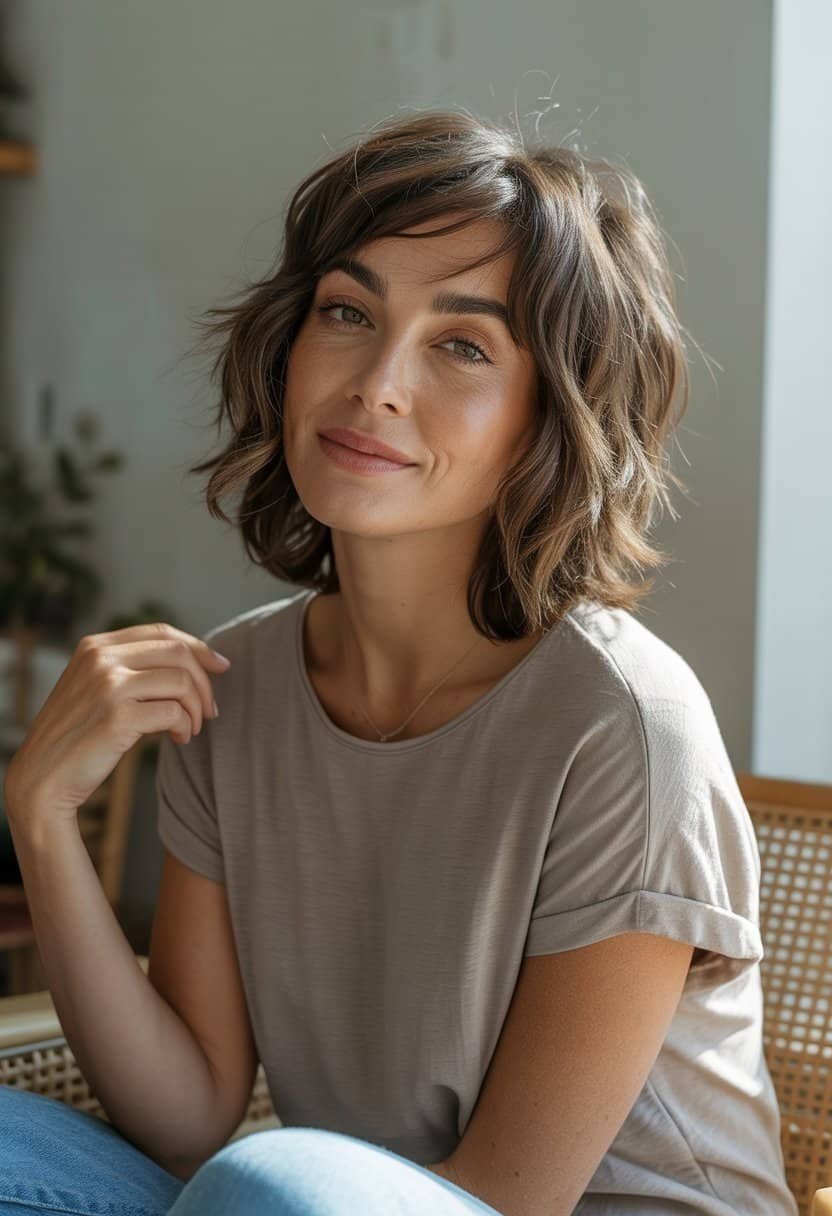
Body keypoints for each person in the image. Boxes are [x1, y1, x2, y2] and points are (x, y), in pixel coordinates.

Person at [0, 108, 797, 1216]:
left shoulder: (622, 724)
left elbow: (510, 1197)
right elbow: (184, 1116)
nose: (376, 381)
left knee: (275, 1181)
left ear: (546, 416)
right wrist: (39, 817)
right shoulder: (233, 696)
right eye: (347, 312)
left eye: (462, 344)